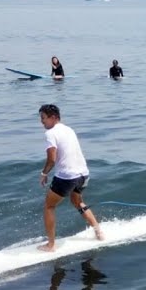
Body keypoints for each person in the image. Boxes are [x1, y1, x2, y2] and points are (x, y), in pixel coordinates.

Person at [37, 104, 103, 252]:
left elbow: (51, 159)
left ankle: (51, 245)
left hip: (67, 177)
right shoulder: (69, 129)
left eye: (43, 118)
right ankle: (98, 231)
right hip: (83, 174)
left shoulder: (50, 133)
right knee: (77, 201)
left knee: (49, 206)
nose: (42, 122)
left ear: (53, 117)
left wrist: (44, 174)